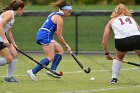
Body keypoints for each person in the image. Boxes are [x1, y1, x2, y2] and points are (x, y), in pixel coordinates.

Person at [27, 0, 72, 81]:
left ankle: (53, 69)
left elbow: (51, 29)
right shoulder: (59, 19)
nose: (70, 13)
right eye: (69, 11)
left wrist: (56, 34)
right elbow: (59, 35)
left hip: (45, 34)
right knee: (50, 57)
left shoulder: (54, 14)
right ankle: (33, 71)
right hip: (45, 35)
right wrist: (66, 46)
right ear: (64, 10)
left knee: (60, 51)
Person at [102, 3, 140, 84]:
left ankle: (114, 79)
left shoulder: (111, 21)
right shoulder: (131, 19)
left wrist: (106, 53)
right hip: (136, 39)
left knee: (118, 57)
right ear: (126, 11)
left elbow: (104, 41)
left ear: (115, 12)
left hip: (121, 41)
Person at [0, 0, 25, 82]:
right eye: (23, 9)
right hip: (1, 37)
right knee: (8, 59)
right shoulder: (9, 14)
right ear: (19, 8)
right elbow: (0, 26)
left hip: (2, 36)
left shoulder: (12, 17)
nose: (24, 11)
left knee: (14, 54)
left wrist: (13, 43)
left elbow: (8, 31)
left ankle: (9, 77)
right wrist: (4, 39)